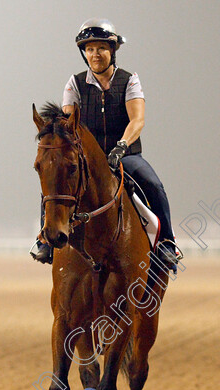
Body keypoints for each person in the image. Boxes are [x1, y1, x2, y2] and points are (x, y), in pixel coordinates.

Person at [31, 18, 182, 269]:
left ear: (112, 50)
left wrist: (121, 147)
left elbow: (137, 120)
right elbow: (69, 122)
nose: (95, 54)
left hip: (125, 155)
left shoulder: (129, 80)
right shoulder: (75, 83)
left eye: (100, 48)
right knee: (55, 178)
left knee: (154, 185)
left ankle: (167, 242)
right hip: (88, 157)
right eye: (89, 49)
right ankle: (45, 240)